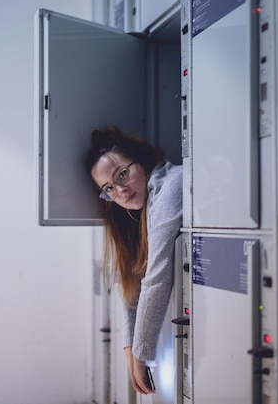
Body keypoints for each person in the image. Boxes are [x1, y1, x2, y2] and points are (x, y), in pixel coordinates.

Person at [86, 126, 183, 395]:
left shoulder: (170, 186)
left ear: (140, 159)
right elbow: (132, 286)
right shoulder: (141, 209)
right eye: (109, 189)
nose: (120, 191)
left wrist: (141, 353)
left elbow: (158, 275)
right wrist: (130, 349)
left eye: (122, 175)